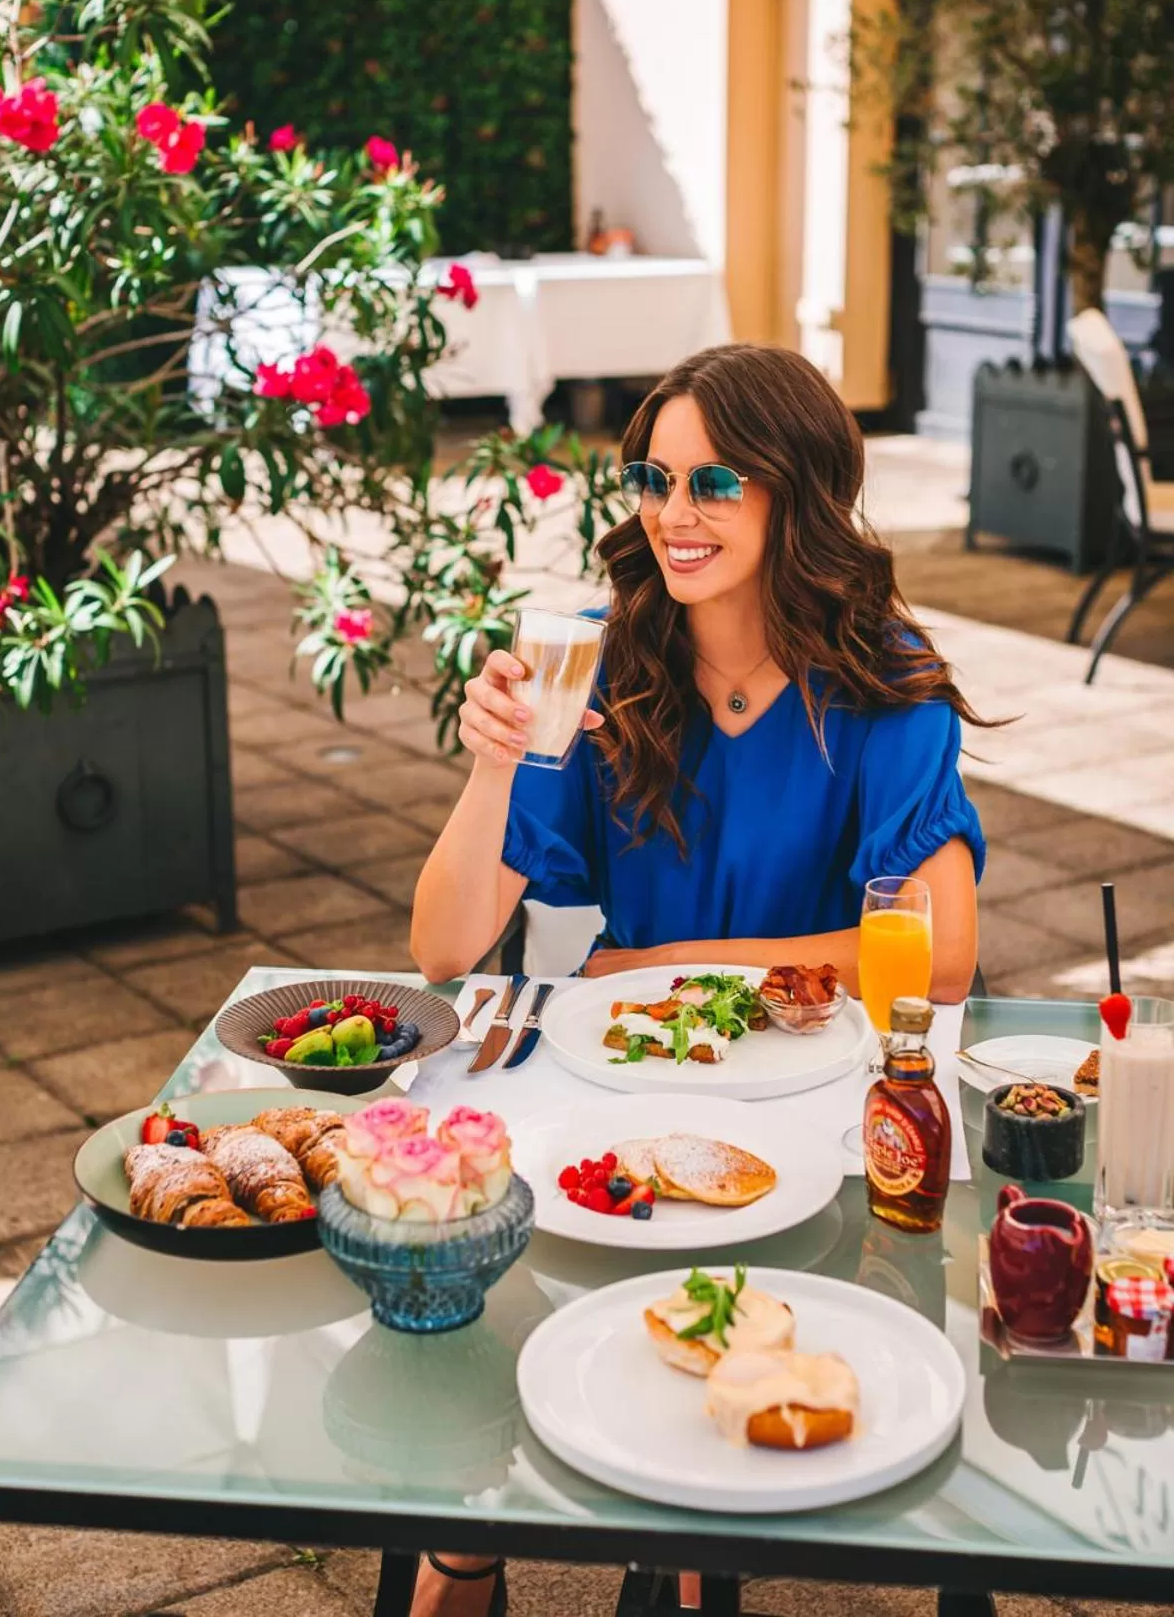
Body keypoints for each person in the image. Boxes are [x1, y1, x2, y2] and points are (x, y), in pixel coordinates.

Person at [408, 342, 987, 1614]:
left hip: (815, 1098)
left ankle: (672, 1534)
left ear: (798, 493)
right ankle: (478, 1534)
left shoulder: (881, 679)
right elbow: (444, 951)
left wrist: (669, 961)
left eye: (716, 481)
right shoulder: (600, 663)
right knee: (477, 1252)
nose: (674, 515)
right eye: (655, 479)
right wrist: (492, 766)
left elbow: (941, 949)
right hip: (630, 1083)